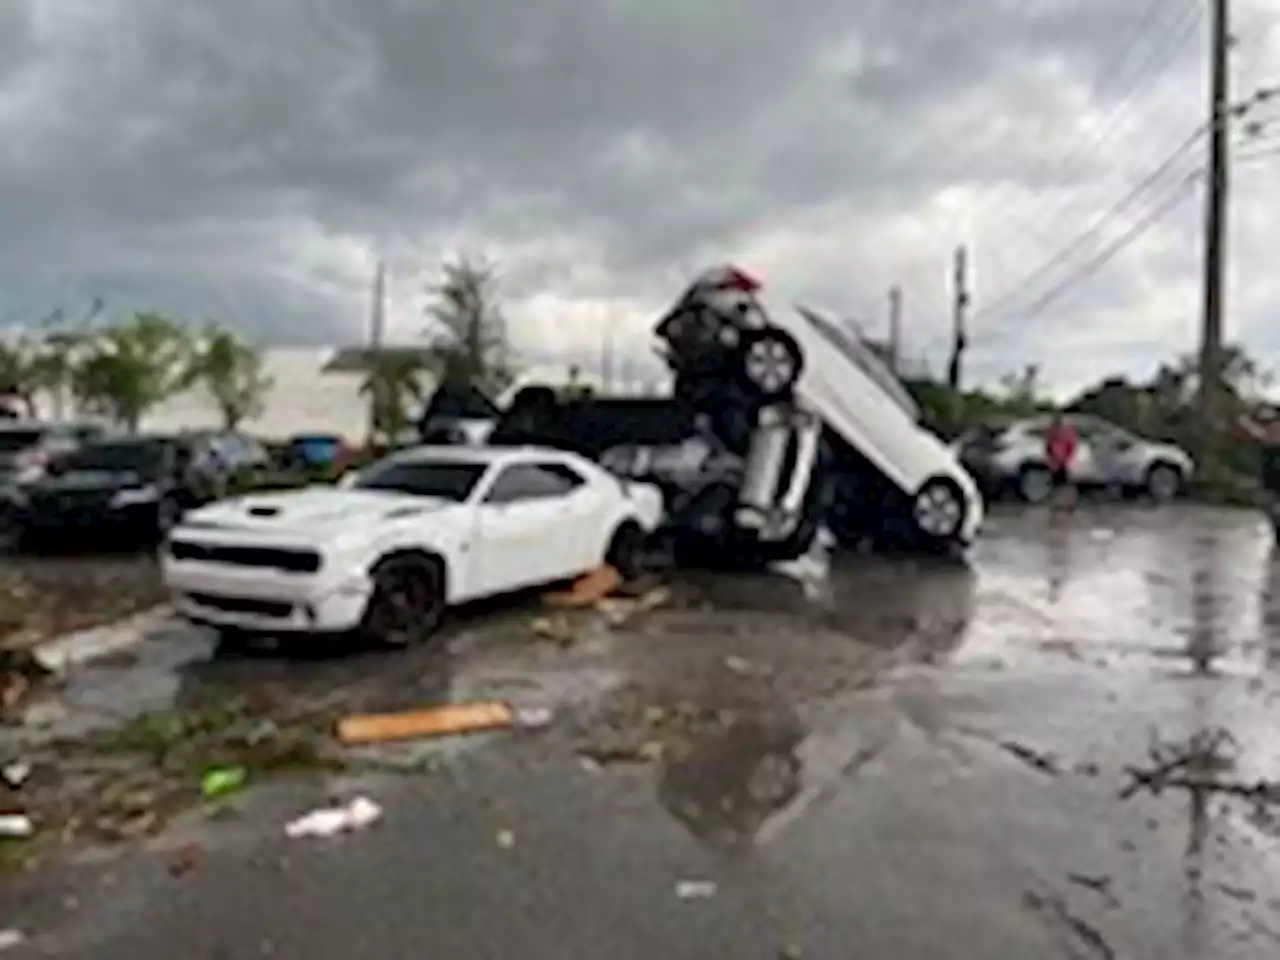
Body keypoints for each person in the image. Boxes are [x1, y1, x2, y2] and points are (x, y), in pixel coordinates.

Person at [1235, 406, 1280, 545]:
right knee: (1271, 511)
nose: (1270, 426)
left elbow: (1263, 435)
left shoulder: (1272, 439)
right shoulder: (1268, 443)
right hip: (1270, 481)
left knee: (1274, 509)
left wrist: (1247, 422)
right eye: (1267, 422)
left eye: (1273, 422)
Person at [1044, 412, 1078, 510]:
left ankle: (1068, 503)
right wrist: (1051, 461)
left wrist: (1065, 460)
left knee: (1066, 483)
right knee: (1056, 484)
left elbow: (1070, 448)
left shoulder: (1065, 434)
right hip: (1056, 462)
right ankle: (1058, 503)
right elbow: (1048, 448)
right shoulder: (1052, 434)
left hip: (1063, 463)